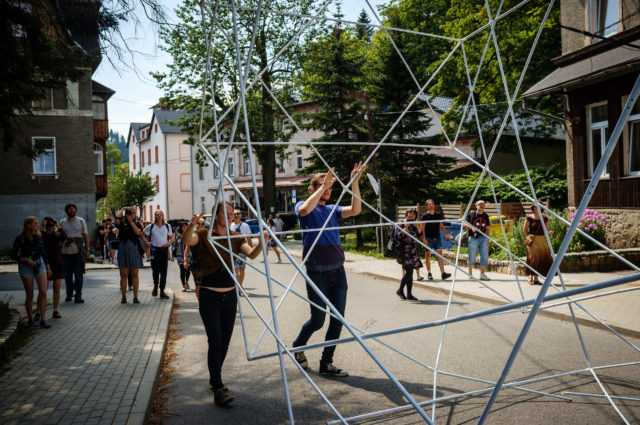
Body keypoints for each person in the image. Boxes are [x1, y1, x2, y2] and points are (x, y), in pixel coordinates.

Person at [182, 204, 266, 407]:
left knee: (225, 343)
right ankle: (218, 388)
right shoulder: (204, 234)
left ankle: (215, 377)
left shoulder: (235, 237)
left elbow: (252, 254)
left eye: (231, 214)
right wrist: (191, 225)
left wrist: (262, 241)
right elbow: (187, 240)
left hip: (229, 297)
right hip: (209, 295)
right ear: (216, 215)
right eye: (226, 213)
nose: (230, 216)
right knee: (216, 342)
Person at [292, 162, 364, 378]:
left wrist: (355, 182)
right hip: (317, 272)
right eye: (322, 185)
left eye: (330, 186)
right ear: (312, 188)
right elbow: (304, 210)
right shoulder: (304, 206)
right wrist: (323, 186)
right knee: (317, 321)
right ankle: (298, 346)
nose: (328, 189)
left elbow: (356, 210)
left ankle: (326, 362)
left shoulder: (332, 210)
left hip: (337, 271)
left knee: (337, 319)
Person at [12, 217, 52, 328]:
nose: (37, 225)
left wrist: (48, 267)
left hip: (40, 264)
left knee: (43, 292)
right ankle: (30, 319)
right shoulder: (20, 238)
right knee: (30, 294)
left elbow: (43, 252)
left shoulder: (39, 237)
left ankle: (43, 319)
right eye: (35, 223)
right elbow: (14, 255)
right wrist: (26, 259)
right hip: (26, 267)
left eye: (37, 223)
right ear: (28, 225)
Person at [60, 203, 90, 303]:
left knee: (78, 275)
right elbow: (59, 236)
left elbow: (85, 236)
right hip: (65, 252)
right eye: (70, 208)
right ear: (66, 210)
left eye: (73, 208)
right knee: (67, 276)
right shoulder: (62, 222)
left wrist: (88, 250)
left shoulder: (81, 221)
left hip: (78, 252)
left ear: (76, 210)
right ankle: (69, 294)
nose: (72, 210)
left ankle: (78, 296)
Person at [115, 207, 143, 304]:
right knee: (124, 274)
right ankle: (123, 297)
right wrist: (123, 209)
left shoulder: (137, 223)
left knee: (135, 274)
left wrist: (131, 222)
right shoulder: (121, 223)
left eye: (133, 213)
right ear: (126, 215)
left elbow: (138, 232)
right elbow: (117, 218)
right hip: (123, 249)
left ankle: (135, 297)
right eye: (130, 213)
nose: (132, 215)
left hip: (134, 249)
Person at [143, 211, 174, 299]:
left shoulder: (167, 226)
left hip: (164, 250)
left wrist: (168, 243)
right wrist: (147, 242)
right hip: (154, 250)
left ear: (163, 216)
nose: (159, 216)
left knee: (164, 272)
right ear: (155, 216)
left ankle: (162, 291)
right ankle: (155, 286)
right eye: (157, 214)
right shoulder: (151, 226)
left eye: (160, 214)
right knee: (155, 270)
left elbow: (171, 237)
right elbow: (142, 234)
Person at [394, 209, 423, 301]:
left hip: (413, 251)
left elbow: (420, 236)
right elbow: (397, 236)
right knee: (409, 271)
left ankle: (409, 294)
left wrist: (418, 227)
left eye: (413, 214)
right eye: (409, 213)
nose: (411, 215)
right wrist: (405, 229)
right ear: (406, 214)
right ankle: (400, 290)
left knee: (410, 273)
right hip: (404, 251)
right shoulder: (401, 223)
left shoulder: (416, 224)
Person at [421, 199, 452, 281]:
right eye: (429, 204)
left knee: (440, 255)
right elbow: (422, 228)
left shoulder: (438, 215)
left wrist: (446, 234)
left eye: (432, 204)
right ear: (427, 206)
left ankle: (443, 273)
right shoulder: (425, 216)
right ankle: (429, 273)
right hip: (428, 238)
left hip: (437, 237)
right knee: (428, 255)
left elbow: (441, 225)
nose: (431, 205)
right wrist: (424, 238)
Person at [42, 217, 66, 319]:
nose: (50, 227)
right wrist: (43, 228)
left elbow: (64, 236)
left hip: (57, 263)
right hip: (45, 263)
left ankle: (55, 310)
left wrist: (57, 225)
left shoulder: (56, 235)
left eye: (51, 225)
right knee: (43, 290)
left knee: (57, 288)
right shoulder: (42, 235)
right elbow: (40, 240)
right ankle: (39, 311)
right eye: (48, 225)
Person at [523, 204, 553, 285]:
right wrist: (529, 237)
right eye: (535, 207)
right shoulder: (529, 218)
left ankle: (536, 278)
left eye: (539, 207)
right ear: (533, 208)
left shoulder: (545, 218)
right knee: (532, 259)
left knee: (540, 259)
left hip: (541, 240)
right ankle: (530, 277)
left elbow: (546, 231)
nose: (537, 208)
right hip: (532, 241)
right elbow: (524, 230)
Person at [464, 200, 491, 281]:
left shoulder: (486, 216)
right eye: (479, 204)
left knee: (484, 256)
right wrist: (472, 228)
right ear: (476, 206)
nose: (481, 205)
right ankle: (470, 273)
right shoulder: (471, 214)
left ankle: (482, 274)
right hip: (473, 237)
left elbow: (488, 228)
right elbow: (464, 223)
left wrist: (488, 239)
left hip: (483, 237)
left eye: (483, 204)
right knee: (472, 255)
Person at [229, 210, 253, 289]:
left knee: (242, 270)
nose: (236, 215)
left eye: (238, 214)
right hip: (233, 251)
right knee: (236, 269)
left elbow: (249, 239)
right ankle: (237, 286)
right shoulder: (230, 226)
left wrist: (251, 251)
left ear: (241, 215)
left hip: (242, 250)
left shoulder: (245, 226)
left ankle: (240, 286)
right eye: (234, 214)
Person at [173, 222, 192, 292]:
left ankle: (187, 281)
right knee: (182, 270)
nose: (184, 227)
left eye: (185, 226)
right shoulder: (177, 235)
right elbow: (174, 244)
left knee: (188, 269)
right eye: (183, 226)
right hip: (180, 255)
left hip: (189, 254)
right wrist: (171, 253)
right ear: (181, 227)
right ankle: (183, 285)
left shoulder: (190, 234)